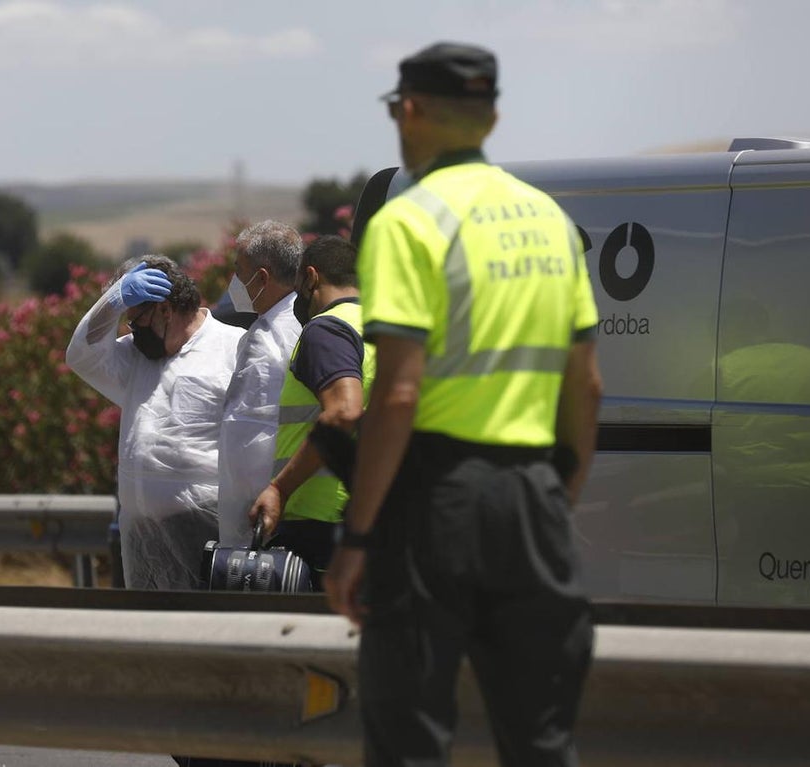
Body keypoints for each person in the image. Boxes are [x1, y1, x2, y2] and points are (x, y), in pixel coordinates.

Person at [324, 42, 604, 766]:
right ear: (492, 116)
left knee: (409, 739)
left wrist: (357, 538)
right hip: (534, 498)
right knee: (542, 739)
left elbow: (400, 391)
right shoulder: (550, 221)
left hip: (434, 506)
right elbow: (587, 386)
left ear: (410, 111)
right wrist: (555, 497)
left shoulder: (407, 221)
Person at [65, 255, 244, 590]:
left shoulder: (232, 347)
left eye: (137, 320)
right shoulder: (137, 357)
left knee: (207, 629)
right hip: (143, 537)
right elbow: (81, 355)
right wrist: (114, 299)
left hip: (206, 530)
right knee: (150, 634)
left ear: (166, 310)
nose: (133, 332)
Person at [247, 235, 376, 589]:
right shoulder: (385, 330)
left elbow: (344, 411)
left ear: (311, 278)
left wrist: (280, 489)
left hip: (321, 525)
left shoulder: (327, 329)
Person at [216, 220, 304, 548]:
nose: (235, 281)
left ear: (262, 277)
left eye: (239, 270)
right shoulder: (285, 324)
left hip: (260, 519)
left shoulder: (273, 337)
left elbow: (254, 431)